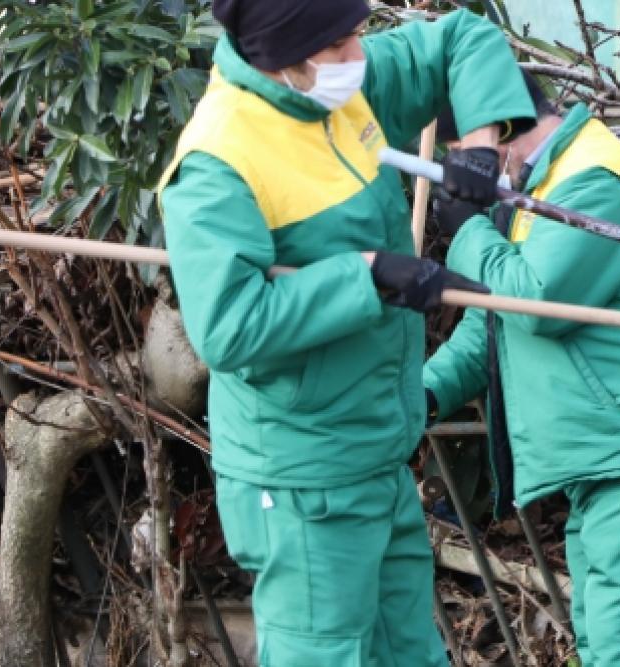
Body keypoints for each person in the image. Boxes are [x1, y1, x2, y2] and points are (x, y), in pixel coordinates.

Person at [156, 1, 536, 664]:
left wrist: (477, 143)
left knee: (412, 653)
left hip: (376, 454)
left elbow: (460, 37)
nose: (358, 52)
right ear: (288, 59)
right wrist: (366, 276)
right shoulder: (218, 161)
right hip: (305, 478)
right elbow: (228, 325)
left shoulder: (339, 86)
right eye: (339, 42)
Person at [423, 71, 620, 666]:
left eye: (457, 155)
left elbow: (539, 302)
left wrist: (466, 229)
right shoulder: (536, 186)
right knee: (606, 647)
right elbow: (494, 324)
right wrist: (423, 395)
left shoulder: (591, 177)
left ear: (492, 133)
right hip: (605, 457)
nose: (457, 173)